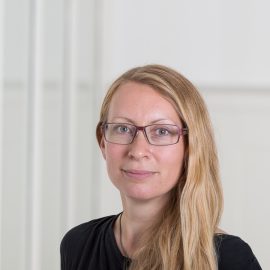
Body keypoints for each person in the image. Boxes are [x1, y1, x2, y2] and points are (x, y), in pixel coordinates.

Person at [60, 64, 262, 270]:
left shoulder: (228, 259)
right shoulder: (78, 244)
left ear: (191, 147)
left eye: (162, 131)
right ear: (103, 142)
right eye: (122, 128)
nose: (138, 151)